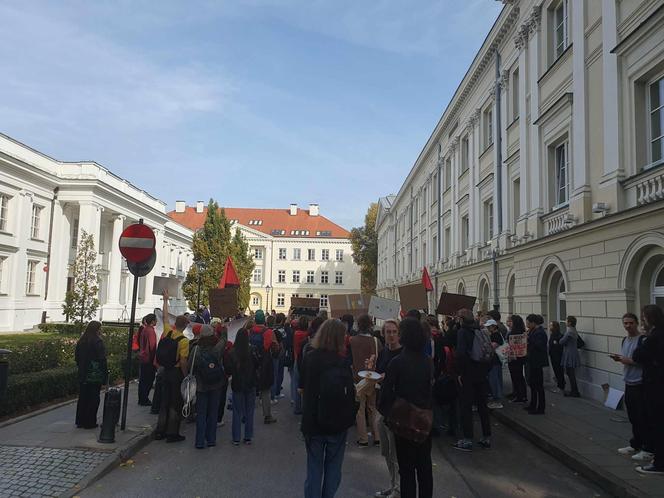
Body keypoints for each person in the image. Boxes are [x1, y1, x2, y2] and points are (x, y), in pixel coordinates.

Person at [301, 319, 358, 498]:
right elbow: (350, 394)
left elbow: (304, 388)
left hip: (313, 422)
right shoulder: (342, 362)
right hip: (337, 423)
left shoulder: (310, 358)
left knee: (314, 469)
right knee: (334, 468)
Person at [379, 318, 433, 498]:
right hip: (424, 420)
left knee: (407, 471)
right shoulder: (427, 362)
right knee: (425, 468)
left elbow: (385, 396)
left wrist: (388, 416)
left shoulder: (397, 363)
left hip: (403, 421)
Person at [613, 313, 652, 462]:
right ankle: (636, 444)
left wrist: (627, 360)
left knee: (643, 417)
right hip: (628, 381)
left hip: (640, 383)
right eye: (625, 323)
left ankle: (648, 448)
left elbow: (643, 361)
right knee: (633, 417)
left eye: (630, 323)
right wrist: (621, 359)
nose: (628, 326)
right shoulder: (625, 340)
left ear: (636, 323)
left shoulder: (642, 340)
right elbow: (627, 358)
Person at [453, 309, 491, 451]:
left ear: (462, 319)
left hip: (468, 374)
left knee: (466, 406)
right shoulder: (480, 330)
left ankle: (468, 439)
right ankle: (486, 436)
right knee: (482, 406)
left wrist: (459, 373)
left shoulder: (463, 332)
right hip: (481, 373)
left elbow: (461, 354)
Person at [633, 305, 664, 475]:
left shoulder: (653, 336)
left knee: (657, 424)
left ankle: (659, 463)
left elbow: (638, 355)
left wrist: (644, 338)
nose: (642, 320)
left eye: (643, 317)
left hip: (655, 386)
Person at [155, 291, 189, 443]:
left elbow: (164, 317)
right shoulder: (184, 341)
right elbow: (183, 361)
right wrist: (186, 375)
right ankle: (172, 433)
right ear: (186, 325)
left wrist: (166, 300)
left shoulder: (168, 332)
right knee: (175, 403)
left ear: (176, 325)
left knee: (164, 401)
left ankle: (159, 430)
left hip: (164, 370)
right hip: (175, 372)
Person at [375, 320, 402, 498]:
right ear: (383, 335)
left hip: (397, 410)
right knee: (385, 451)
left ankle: (398, 489)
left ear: (399, 334)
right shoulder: (384, 353)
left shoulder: (403, 355)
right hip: (382, 407)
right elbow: (378, 376)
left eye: (393, 331)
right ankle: (392, 485)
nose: (391, 335)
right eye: (387, 332)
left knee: (396, 453)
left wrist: (388, 377)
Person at [188, 324, 225, 448]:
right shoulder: (216, 348)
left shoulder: (196, 349)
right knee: (213, 412)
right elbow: (224, 340)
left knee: (201, 413)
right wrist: (224, 328)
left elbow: (190, 367)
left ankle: (199, 441)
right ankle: (211, 439)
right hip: (216, 384)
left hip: (201, 385)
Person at [350, 313, 381, 447]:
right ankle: (377, 436)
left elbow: (350, 359)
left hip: (358, 378)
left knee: (360, 410)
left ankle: (363, 438)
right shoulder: (376, 341)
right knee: (372, 408)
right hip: (372, 378)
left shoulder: (352, 340)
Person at [225, 327, 259, 445]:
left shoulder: (232, 352)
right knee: (250, 411)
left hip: (237, 383)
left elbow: (228, 369)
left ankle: (236, 438)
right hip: (250, 382)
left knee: (237, 411)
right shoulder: (253, 350)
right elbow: (257, 364)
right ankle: (248, 436)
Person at [75, 321, 108, 429]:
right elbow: (102, 360)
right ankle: (90, 422)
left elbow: (77, 358)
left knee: (83, 397)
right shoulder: (98, 341)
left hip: (83, 373)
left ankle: (80, 421)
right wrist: (105, 376)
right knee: (93, 398)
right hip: (94, 374)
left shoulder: (82, 340)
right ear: (97, 329)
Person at [249, 310, 278, 424]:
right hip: (265, 363)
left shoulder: (250, 331)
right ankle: (267, 415)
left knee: (251, 389)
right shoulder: (268, 332)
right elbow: (274, 348)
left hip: (252, 362)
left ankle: (248, 413)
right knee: (265, 390)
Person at [525, 314, 547, 415]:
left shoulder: (540, 332)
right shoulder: (533, 331)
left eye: (528, 323)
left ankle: (540, 408)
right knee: (533, 384)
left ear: (534, 323)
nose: (527, 324)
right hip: (531, 361)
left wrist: (528, 339)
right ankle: (533, 404)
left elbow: (538, 346)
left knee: (538, 386)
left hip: (537, 362)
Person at [506, 315, 528, 403]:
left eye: (510, 321)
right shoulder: (519, 331)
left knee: (517, 376)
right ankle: (517, 393)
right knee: (516, 376)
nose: (508, 323)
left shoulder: (515, 332)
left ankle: (520, 395)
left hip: (515, 357)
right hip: (517, 357)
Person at [138, 313, 157, 406]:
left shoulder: (144, 330)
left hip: (143, 357)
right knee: (148, 380)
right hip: (149, 358)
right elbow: (152, 346)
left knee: (143, 379)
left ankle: (142, 398)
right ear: (153, 321)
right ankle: (144, 399)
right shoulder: (151, 331)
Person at [485, 319, 505, 409]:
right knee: (497, 379)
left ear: (493, 327)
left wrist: (486, 344)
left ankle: (497, 400)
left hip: (495, 360)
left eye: (489, 327)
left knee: (494, 380)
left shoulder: (495, 335)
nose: (487, 328)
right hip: (497, 360)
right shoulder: (498, 334)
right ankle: (497, 398)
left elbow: (492, 347)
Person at [292, 315, 310, 415]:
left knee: (297, 385)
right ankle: (305, 407)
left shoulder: (296, 333)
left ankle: (297, 407)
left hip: (296, 359)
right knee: (305, 385)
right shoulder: (307, 335)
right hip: (305, 361)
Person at [559, 315, 581, 397]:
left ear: (570, 322)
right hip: (572, 352)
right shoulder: (573, 330)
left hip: (570, 353)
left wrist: (560, 339)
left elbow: (562, 341)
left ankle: (574, 391)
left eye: (566, 321)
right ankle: (574, 390)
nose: (565, 322)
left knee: (570, 373)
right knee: (570, 372)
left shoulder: (570, 332)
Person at [272, 313, 287, 401]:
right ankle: (277, 391)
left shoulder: (273, 329)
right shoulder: (282, 331)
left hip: (273, 353)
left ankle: (274, 391)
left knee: (274, 373)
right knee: (279, 373)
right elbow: (285, 342)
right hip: (280, 353)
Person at [548, 321, 565, 391]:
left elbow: (558, 346)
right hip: (553, 355)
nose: (549, 327)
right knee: (557, 371)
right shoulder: (552, 334)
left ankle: (560, 386)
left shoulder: (558, 335)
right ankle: (560, 385)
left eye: (551, 326)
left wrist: (555, 344)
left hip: (557, 356)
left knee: (559, 371)